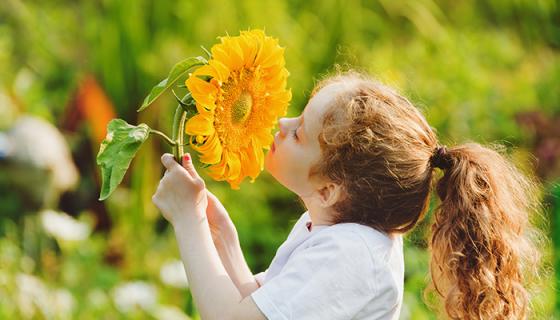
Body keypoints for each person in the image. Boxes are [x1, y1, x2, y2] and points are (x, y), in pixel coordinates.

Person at [152, 70, 542, 319]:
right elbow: (263, 306)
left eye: (299, 132)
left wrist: (187, 219)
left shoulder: (352, 255)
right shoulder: (332, 232)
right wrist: (222, 240)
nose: (282, 123)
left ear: (327, 189)